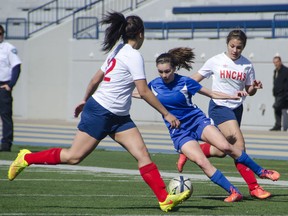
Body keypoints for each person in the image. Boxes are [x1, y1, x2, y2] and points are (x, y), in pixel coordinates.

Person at [7, 12, 191, 212]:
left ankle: (164, 199)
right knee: (73, 157)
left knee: (142, 155)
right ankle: (26, 158)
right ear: (140, 33)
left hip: (119, 117)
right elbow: (144, 91)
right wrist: (166, 113)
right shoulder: (132, 54)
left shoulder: (118, 49)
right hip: (101, 111)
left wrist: (84, 99)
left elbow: (96, 79)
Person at [134, 47, 280, 202]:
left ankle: (262, 171)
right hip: (179, 132)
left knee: (225, 147)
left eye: (167, 71)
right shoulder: (154, 85)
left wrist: (232, 95)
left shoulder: (185, 82)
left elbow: (211, 93)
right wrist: (112, 90)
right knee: (202, 162)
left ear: (174, 68)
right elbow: (141, 93)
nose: (164, 75)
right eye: (161, 72)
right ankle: (233, 192)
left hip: (197, 121)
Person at [177, 29, 275, 200]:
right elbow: (195, 79)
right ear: (227, 44)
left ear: (243, 47)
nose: (235, 50)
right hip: (219, 107)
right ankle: (254, 187)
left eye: (239, 47)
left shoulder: (247, 65)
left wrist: (253, 88)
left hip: (237, 108)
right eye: (232, 46)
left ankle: (191, 150)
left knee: (223, 150)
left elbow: (248, 90)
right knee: (239, 145)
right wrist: (176, 85)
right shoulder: (215, 61)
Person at [0, 24, 22, 152]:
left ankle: (6, 144)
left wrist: (10, 85)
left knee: (5, 116)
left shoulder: (8, 48)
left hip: (3, 86)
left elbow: (16, 66)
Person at [270, 56, 288, 131]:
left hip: (284, 94)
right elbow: (276, 82)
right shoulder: (275, 71)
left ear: (280, 62)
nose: (276, 64)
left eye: (277, 62)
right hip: (277, 94)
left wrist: (285, 93)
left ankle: (278, 125)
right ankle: (279, 125)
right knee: (280, 109)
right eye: (274, 62)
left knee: (276, 106)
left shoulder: (285, 71)